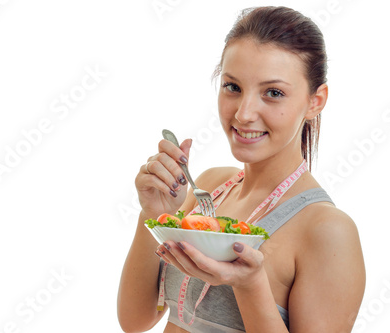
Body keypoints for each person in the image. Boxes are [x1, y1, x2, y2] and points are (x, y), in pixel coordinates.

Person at [118, 6, 365, 333]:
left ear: (315, 101)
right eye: (233, 86)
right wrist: (152, 215)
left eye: (273, 93)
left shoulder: (327, 231)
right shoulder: (211, 186)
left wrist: (251, 285)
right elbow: (136, 320)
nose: (245, 113)